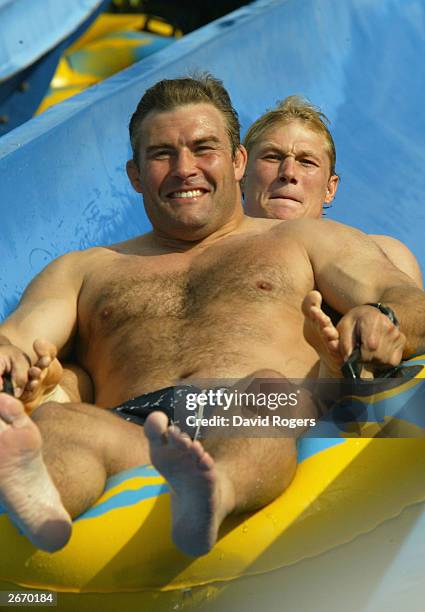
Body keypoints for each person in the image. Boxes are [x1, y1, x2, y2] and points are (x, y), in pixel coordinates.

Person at [1, 75, 424, 558]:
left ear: (237, 161)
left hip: (250, 409)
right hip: (134, 433)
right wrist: (7, 358)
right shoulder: (84, 269)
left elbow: (402, 295)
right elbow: (16, 337)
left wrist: (383, 316)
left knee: (268, 393)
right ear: (135, 175)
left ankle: (214, 490)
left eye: (204, 148)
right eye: (161, 154)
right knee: (59, 425)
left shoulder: (302, 241)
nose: (185, 169)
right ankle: (41, 511)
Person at [243, 96, 423, 287]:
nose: (288, 173)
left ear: (330, 188)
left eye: (306, 162)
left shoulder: (386, 256)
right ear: (241, 175)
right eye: (272, 157)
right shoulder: (209, 254)